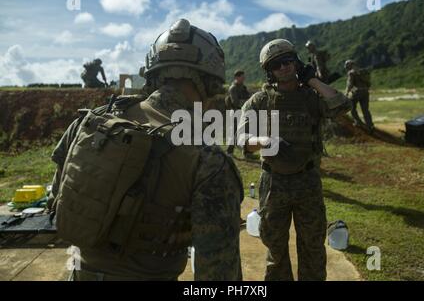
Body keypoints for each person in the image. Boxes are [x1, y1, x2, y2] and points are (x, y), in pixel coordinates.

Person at [50, 19, 243, 281]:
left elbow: (56, 204)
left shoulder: (91, 123)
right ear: (210, 83)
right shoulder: (208, 161)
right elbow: (218, 277)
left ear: (152, 74)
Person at [237, 39, 350, 281]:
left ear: (296, 62)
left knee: (312, 247)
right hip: (273, 183)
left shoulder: (311, 97)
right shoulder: (259, 101)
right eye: (277, 64)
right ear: (269, 70)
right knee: (276, 249)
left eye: (288, 61)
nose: (284, 67)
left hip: (307, 181)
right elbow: (242, 138)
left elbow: (342, 106)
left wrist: (312, 80)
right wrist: (265, 141)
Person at [344, 59, 374, 133]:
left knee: (351, 106)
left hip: (357, 92)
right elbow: (368, 83)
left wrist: (346, 93)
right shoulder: (363, 71)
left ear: (349, 65)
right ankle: (370, 125)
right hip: (365, 92)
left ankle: (358, 122)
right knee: (365, 110)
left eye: (347, 65)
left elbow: (350, 84)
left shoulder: (351, 73)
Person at [225, 70, 250, 156]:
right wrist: (247, 102)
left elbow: (249, 98)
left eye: (244, 77)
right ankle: (229, 151)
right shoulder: (233, 88)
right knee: (234, 132)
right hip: (235, 112)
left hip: (243, 111)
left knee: (245, 131)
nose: (244, 78)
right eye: (242, 77)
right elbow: (235, 102)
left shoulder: (243, 87)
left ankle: (246, 151)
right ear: (237, 77)